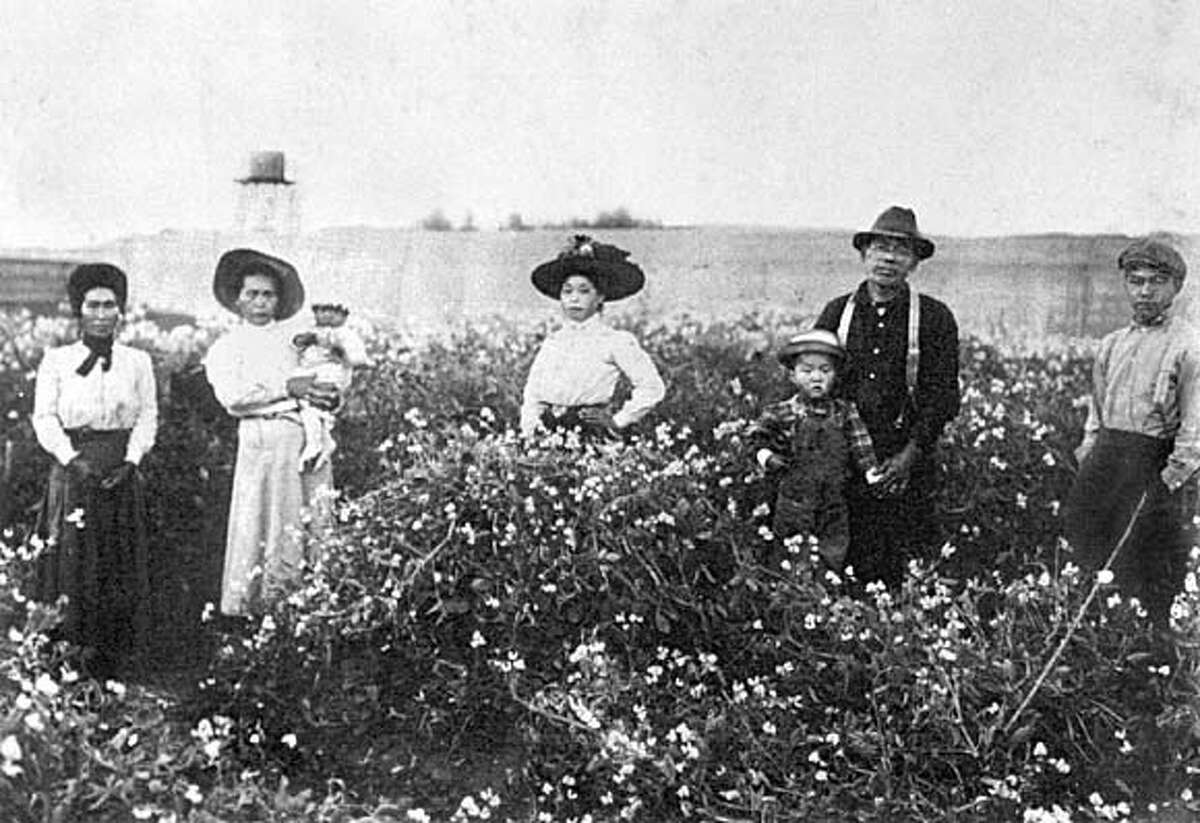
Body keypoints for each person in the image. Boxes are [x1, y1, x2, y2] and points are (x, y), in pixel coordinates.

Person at [814, 206, 960, 586]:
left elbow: (943, 395)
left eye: (900, 250)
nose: (889, 258)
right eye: (880, 248)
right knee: (839, 560)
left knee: (902, 566)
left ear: (913, 263)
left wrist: (910, 455)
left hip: (906, 459)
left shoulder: (934, 318)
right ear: (864, 255)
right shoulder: (837, 312)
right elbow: (810, 381)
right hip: (843, 459)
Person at [32, 263, 156, 678]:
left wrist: (132, 460)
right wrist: (71, 459)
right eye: (93, 305)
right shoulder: (57, 360)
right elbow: (44, 418)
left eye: (110, 305)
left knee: (117, 560)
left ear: (121, 311)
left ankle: (114, 658)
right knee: (72, 558)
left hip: (120, 468)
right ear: (79, 310)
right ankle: (69, 655)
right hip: (75, 469)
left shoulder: (137, 362)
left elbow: (148, 417)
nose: (102, 313)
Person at [1066, 237, 1198, 626]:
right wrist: (1090, 456)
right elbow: (1097, 414)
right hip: (1108, 458)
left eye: (1156, 282)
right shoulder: (1112, 345)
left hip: (1152, 461)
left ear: (1176, 287)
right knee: (1085, 538)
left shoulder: (1189, 346)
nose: (1145, 291)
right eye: (1136, 281)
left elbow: (1193, 431)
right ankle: (1093, 633)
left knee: (1140, 556)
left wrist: (1167, 481)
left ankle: (1138, 644)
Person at [204, 249, 340, 616]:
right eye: (252, 294)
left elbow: (318, 382)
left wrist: (323, 395)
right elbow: (234, 398)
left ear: (278, 301)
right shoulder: (227, 347)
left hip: (301, 438)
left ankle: (303, 608)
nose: (261, 302)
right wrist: (286, 389)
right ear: (237, 299)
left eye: (268, 295)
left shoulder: (295, 343)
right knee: (262, 517)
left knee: (302, 520)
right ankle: (255, 610)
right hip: (261, 440)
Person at [748, 329, 884, 571]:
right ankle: (790, 599)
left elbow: (861, 445)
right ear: (792, 376)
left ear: (836, 375)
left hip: (833, 502)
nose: (816, 378)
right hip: (793, 502)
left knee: (832, 553)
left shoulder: (845, 412)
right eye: (807, 371)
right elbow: (756, 438)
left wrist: (872, 473)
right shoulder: (781, 412)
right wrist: (767, 458)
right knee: (789, 558)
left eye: (825, 370)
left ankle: (824, 597)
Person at [520, 235, 666, 440]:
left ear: (600, 297)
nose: (574, 298)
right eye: (567, 291)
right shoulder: (554, 342)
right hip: (548, 434)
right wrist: (529, 433)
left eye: (584, 291)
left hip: (589, 435)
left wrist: (618, 420)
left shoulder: (614, 341)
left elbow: (652, 387)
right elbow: (533, 393)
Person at [291, 302, 369, 470]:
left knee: (311, 407)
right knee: (304, 404)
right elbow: (296, 347)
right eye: (322, 310)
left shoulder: (345, 334)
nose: (327, 315)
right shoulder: (312, 331)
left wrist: (340, 351)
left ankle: (315, 443)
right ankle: (325, 441)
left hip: (329, 375)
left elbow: (359, 358)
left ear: (344, 315)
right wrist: (303, 341)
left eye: (333, 311)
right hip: (309, 374)